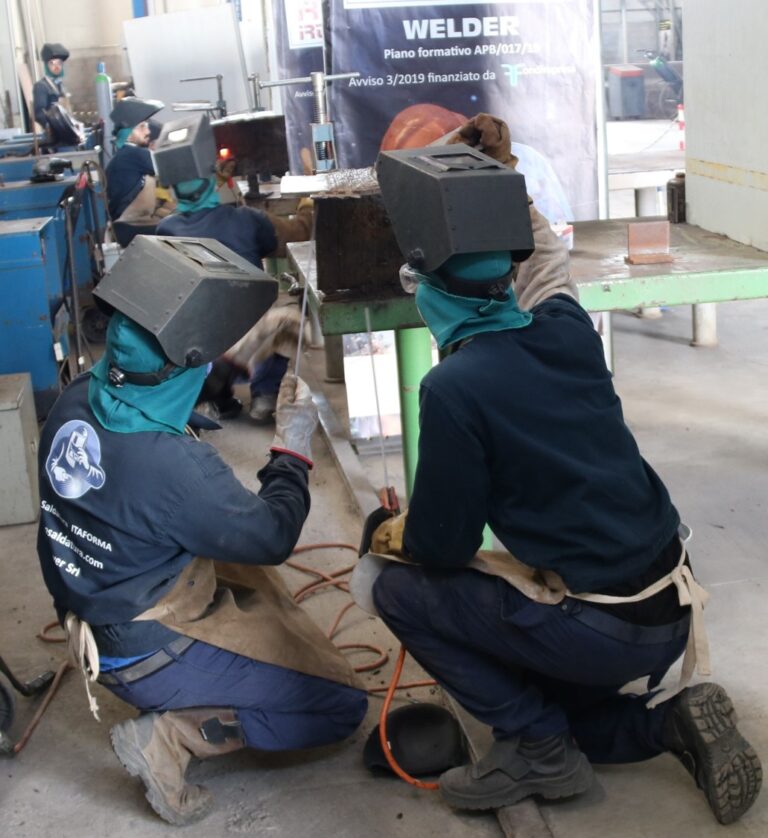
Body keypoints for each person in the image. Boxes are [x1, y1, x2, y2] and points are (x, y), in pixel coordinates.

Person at [362, 138, 762, 823]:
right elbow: (547, 263)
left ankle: (534, 747)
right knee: (567, 710)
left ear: (429, 290)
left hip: (601, 629)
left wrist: (387, 536)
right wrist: (496, 195)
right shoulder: (567, 327)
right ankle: (665, 725)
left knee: (391, 588)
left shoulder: (455, 388)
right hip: (669, 602)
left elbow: (444, 546)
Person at [35, 236, 367, 826]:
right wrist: (292, 448)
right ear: (184, 361)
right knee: (337, 704)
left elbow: (165, 393)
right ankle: (171, 737)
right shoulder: (176, 471)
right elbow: (273, 536)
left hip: (94, 606)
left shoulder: (79, 396)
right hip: (143, 650)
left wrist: (240, 354)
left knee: (240, 569)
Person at [154, 113, 313, 423]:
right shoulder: (247, 221)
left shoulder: (165, 232)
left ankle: (212, 399)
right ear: (211, 176)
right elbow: (300, 234)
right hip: (249, 341)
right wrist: (308, 200)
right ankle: (265, 393)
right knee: (286, 314)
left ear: (171, 187)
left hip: (203, 350)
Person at [105, 97, 168, 244]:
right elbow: (170, 167)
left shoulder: (125, 155)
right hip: (128, 228)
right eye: (141, 126)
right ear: (128, 132)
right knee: (178, 229)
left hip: (131, 225)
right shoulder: (132, 154)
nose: (147, 131)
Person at [32, 42, 69, 131]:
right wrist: (50, 127)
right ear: (46, 66)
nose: (56, 67)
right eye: (52, 63)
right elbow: (39, 113)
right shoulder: (41, 86)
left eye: (59, 63)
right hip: (54, 133)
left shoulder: (60, 85)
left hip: (65, 129)